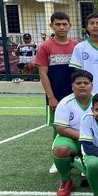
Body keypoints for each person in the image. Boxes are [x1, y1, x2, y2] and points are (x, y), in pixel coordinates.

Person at [35, 12, 78, 175]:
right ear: (51, 26)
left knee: (78, 125)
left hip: (76, 96)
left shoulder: (76, 46)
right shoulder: (45, 47)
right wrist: (51, 97)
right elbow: (43, 74)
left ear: (69, 26)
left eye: (64, 24)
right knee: (58, 127)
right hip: (56, 96)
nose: (61, 27)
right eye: (58, 24)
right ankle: (58, 159)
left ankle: (80, 157)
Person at [51, 69, 93, 196]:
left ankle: (85, 168)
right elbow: (61, 129)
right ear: (72, 86)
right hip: (71, 138)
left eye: (86, 83)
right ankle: (66, 180)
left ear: (92, 85)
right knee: (61, 149)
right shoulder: (65, 103)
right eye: (78, 83)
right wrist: (85, 137)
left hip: (94, 139)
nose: (82, 86)